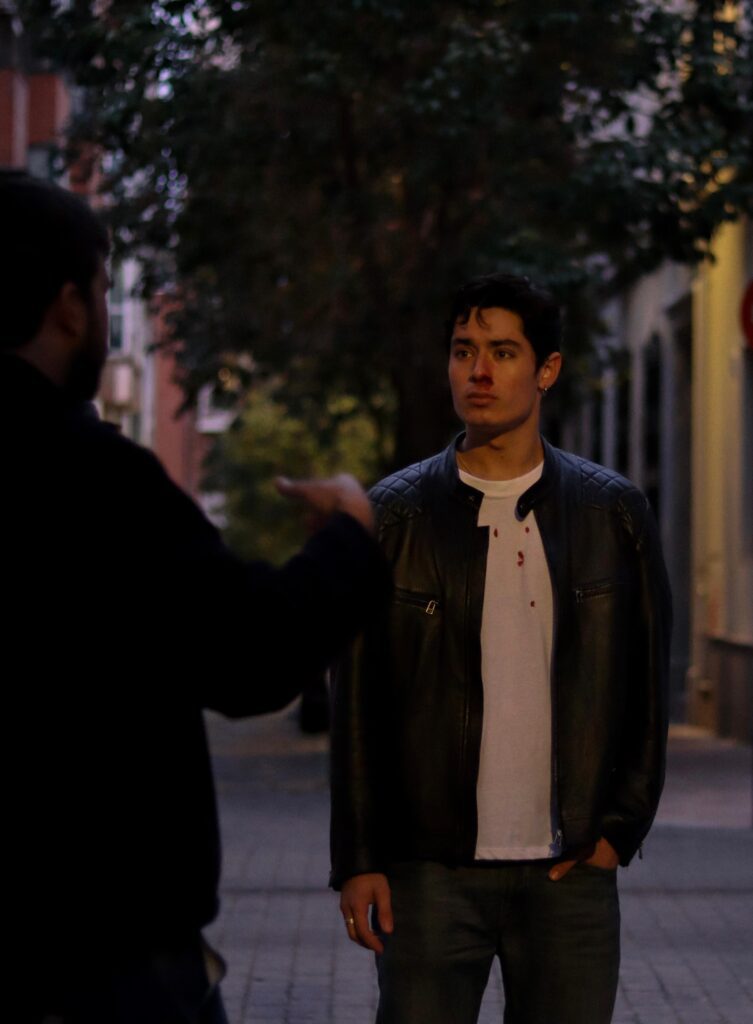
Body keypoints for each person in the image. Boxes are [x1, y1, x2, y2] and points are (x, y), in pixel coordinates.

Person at [0, 169, 391, 1024]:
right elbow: (249, 651)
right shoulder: (94, 481)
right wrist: (350, 536)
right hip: (99, 964)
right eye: (102, 291)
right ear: (69, 308)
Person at [330, 272, 672, 1024]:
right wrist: (356, 860)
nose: (478, 371)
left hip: (569, 874)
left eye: (503, 352)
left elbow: (646, 688)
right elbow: (355, 704)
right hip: (428, 875)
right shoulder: (393, 518)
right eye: (463, 350)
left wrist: (618, 832)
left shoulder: (611, 512)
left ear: (546, 369)